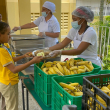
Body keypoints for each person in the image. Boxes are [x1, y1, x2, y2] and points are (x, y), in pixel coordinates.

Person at [0, 21, 43, 110]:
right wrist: (32, 62)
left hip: (6, 81)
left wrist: (23, 56)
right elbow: (14, 69)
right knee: (12, 107)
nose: (10, 36)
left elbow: (10, 60)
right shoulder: (1, 50)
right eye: (8, 34)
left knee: (8, 105)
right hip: (9, 83)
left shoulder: (4, 46)